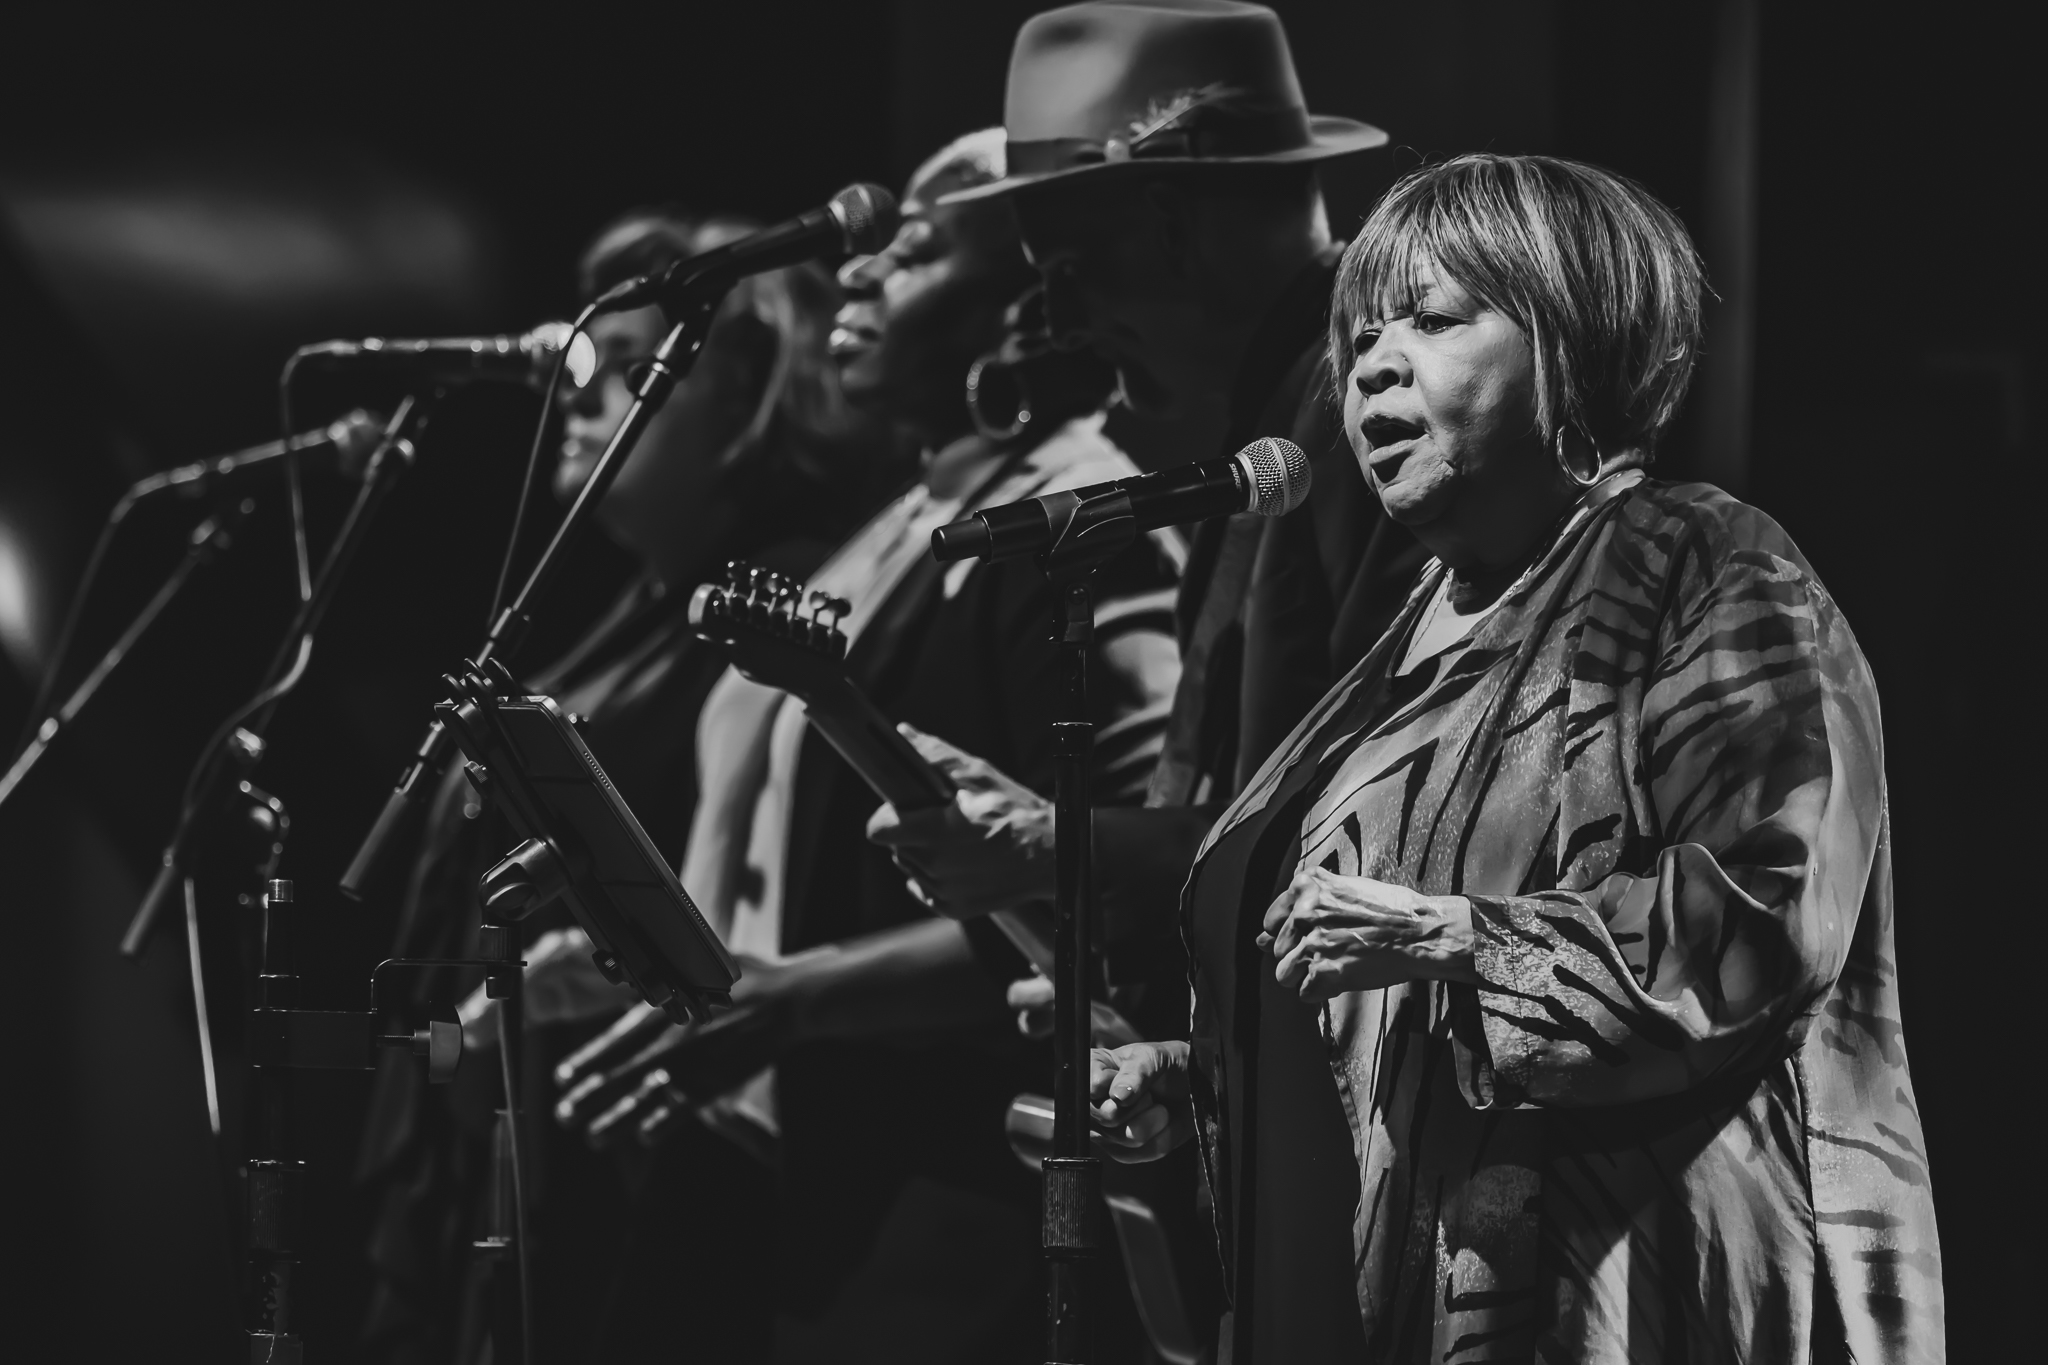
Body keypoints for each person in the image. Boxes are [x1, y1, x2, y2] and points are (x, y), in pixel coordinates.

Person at [1084, 153, 1945, 1363]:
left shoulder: (1696, 563)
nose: (1375, 363)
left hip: (1608, 1299)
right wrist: (1213, 1072)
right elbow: (1364, 986)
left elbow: (1764, 914)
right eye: (1357, 339)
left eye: (1431, 321)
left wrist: (1463, 942)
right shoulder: (1397, 645)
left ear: (1576, 342)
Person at [550, 130, 1182, 1364]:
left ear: (1034, 296)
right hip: (815, 1172)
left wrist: (793, 1001)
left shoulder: (1078, 514)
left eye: (919, 244)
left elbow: (1122, 894)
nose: (858, 268)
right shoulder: (909, 523)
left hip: (962, 1194)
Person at [355, 209, 896, 1365]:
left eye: (634, 370)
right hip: (521, 1114)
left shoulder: (778, 616)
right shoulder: (638, 602)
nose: (584, 399)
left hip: (634, 1153)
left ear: (748, 389)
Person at [866, 0, 1427, 1019]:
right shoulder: (1273, 420)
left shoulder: (1369, 416)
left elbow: (1388, 828)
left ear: (1174, 220)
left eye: (1070, 277)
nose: (1066, 333)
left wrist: (1060, 842)